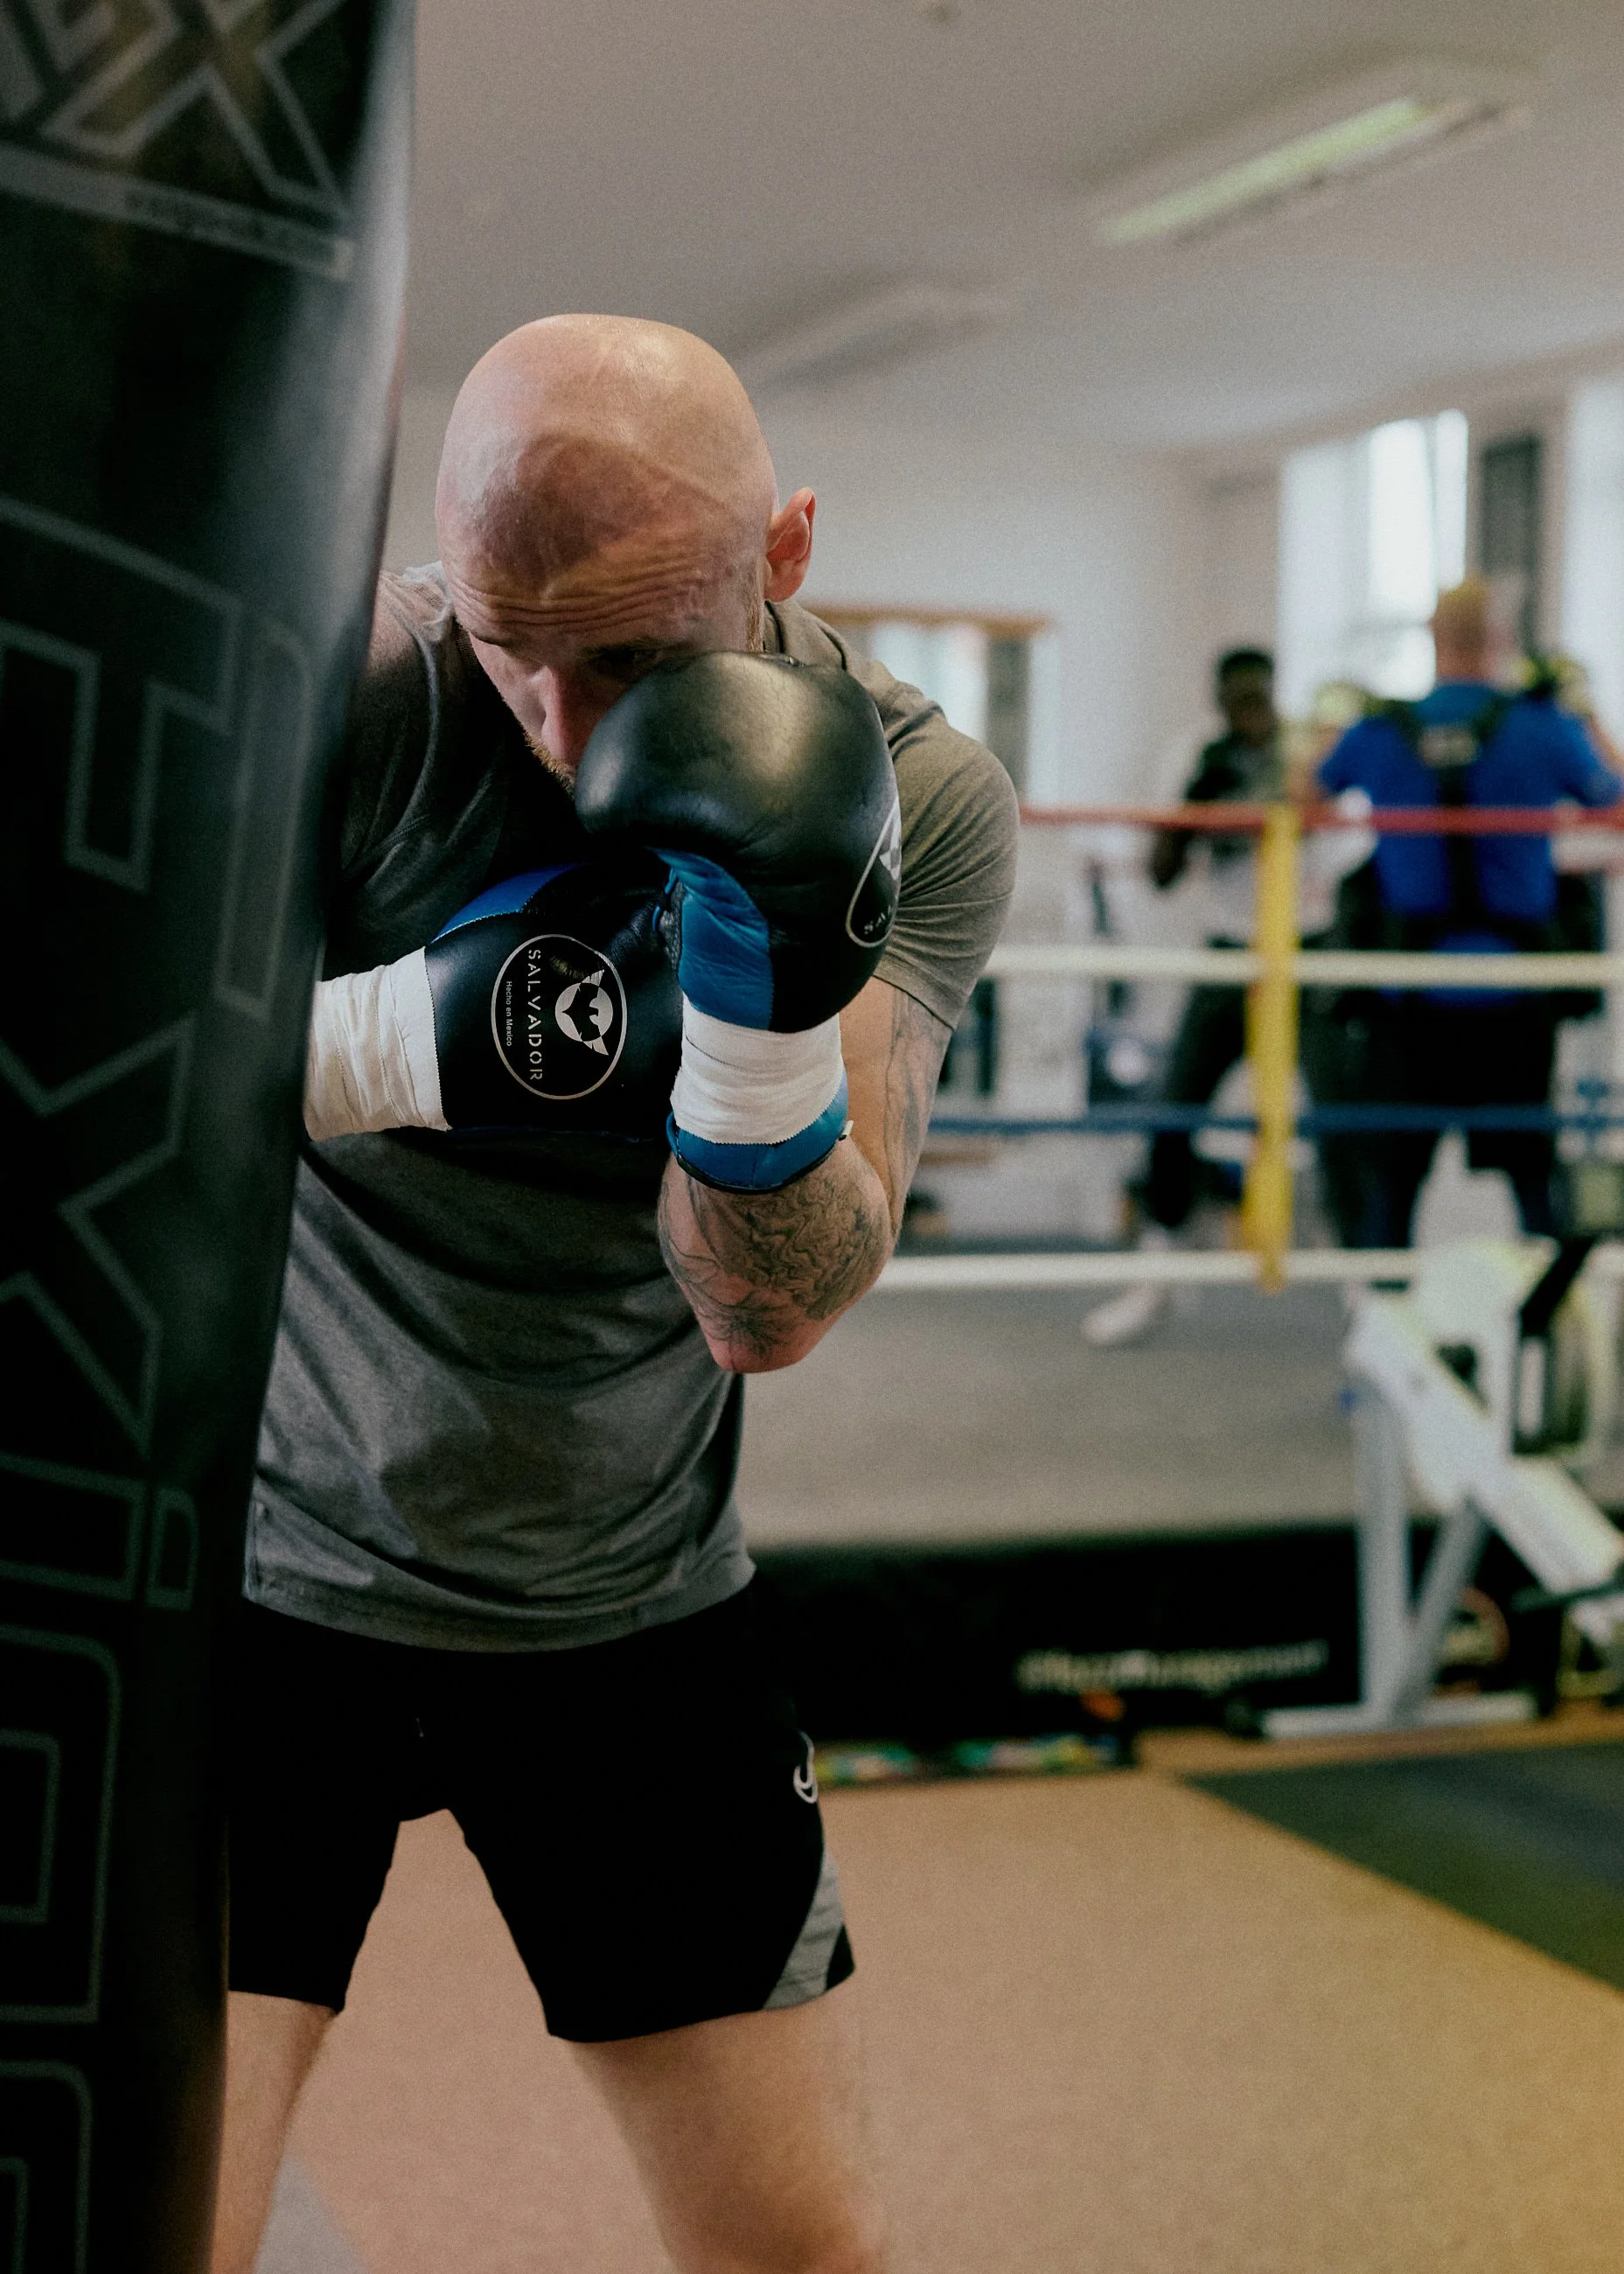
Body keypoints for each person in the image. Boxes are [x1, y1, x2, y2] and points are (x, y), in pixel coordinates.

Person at [213, 315, 1018, 2274]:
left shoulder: (916, 796)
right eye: (519, 651)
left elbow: (777, 1311)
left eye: (640, 661)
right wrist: (410, 1041)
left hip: (625, 1597)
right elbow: (103, 1090)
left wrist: (752, 1039)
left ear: (787, 554)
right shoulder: (365, 697)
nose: (568, 733)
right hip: (264, 1588)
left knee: (800, 2255)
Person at [1314, 577, 1621, 1248]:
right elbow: (1615, 800)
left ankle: (1382, 1329)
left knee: (1393, 1185)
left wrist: (1327, 720)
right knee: (1531, 1184)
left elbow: (1301, 798)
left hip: (1410, 991)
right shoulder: (1544, 727)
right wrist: (1586, 710)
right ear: (1501, 642)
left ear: (1432, 639)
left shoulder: (1379, 730)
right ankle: (1549, 1334)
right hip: (1514, 991)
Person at [1084, 647, 1282, 1346]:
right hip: (1231, 952)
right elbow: (1160, 874)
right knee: (1174, 1109)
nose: (1249, 714)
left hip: (1307, 950)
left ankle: (1366, 1300)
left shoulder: (1308, 757)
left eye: (1258, 698)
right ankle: (1158, 1276)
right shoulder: (1199, 756)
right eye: (1236, 701)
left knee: (1347, 1133)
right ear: (1218, 703)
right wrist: (1200, 801)